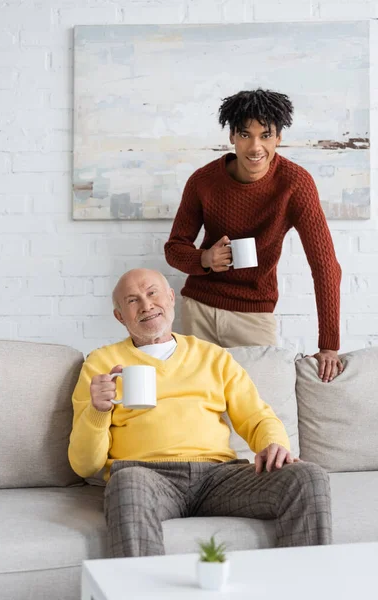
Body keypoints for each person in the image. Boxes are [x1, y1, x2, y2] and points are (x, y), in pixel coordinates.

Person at [68, 268, 332, 558]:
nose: (146, 305)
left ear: (171, 298)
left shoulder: (214, 356)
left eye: (152, 293)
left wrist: (274, 443)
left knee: (307, 476)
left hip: (218, 478)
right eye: (132, 301)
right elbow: (84, 465)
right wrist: (98, 410)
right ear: (120, 316)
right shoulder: (101, 363)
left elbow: (257, 416)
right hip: (147, 477)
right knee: (126, 482)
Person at [164, 88, 343, 384]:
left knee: (262, 403)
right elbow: (174, 249)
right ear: (232, 136)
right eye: (246, 135)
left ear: (279, 138)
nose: (255, 146)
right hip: (199, 308)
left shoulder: (295, 184)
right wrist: (204, 259)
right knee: (196, 406)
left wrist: (329, 346)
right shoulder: (203, 181)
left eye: (266, 135)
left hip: (254, 314)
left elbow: (325, 266)